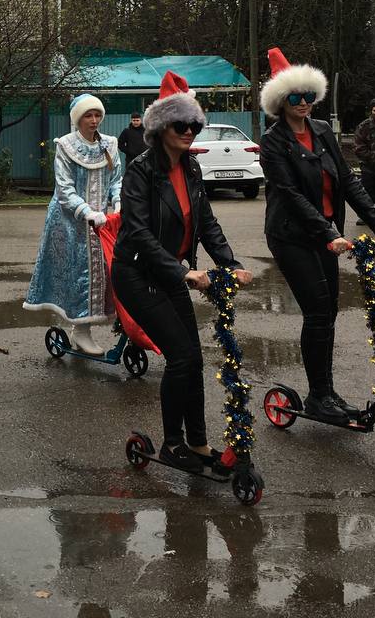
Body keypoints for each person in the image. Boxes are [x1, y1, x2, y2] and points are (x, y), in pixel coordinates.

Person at [111, 70, 252, 474]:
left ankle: (199, 444)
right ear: (160, 126)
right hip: (138, 274)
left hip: (172, 274)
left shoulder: (191, 168)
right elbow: (136, 231)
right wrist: (181, 271)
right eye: (181, 124)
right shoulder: (141, 170)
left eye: (194, 124)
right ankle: (173, 445)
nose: (189, 130)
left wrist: (231, 264)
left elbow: (206, 223)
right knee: (182, 356)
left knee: (192, 360)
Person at [258, 47, 375, 421]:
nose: (303, 103)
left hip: (326, 234)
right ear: (280, 101)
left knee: (330, 312)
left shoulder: (321, 131)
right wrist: (326, 232)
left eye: (308, 96)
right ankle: (319, 396)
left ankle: (326, 391)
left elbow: (349, 181)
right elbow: (289, 194)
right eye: (294, 97)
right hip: (291, 235)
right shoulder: (273, 142)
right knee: (318, 312)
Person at [23, 93, 125, 355]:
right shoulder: (66, 146)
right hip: (70, 222)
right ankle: (81, 330)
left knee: (106, 270)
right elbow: (64, 188)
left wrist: (118, 201)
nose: (93, 120)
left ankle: (90, 329)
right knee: (78, 273)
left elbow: (116, 179)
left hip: (103, 220)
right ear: (77, 119)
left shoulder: (109, 145)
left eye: (97, 115)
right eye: (88, 116)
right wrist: (87, 212)